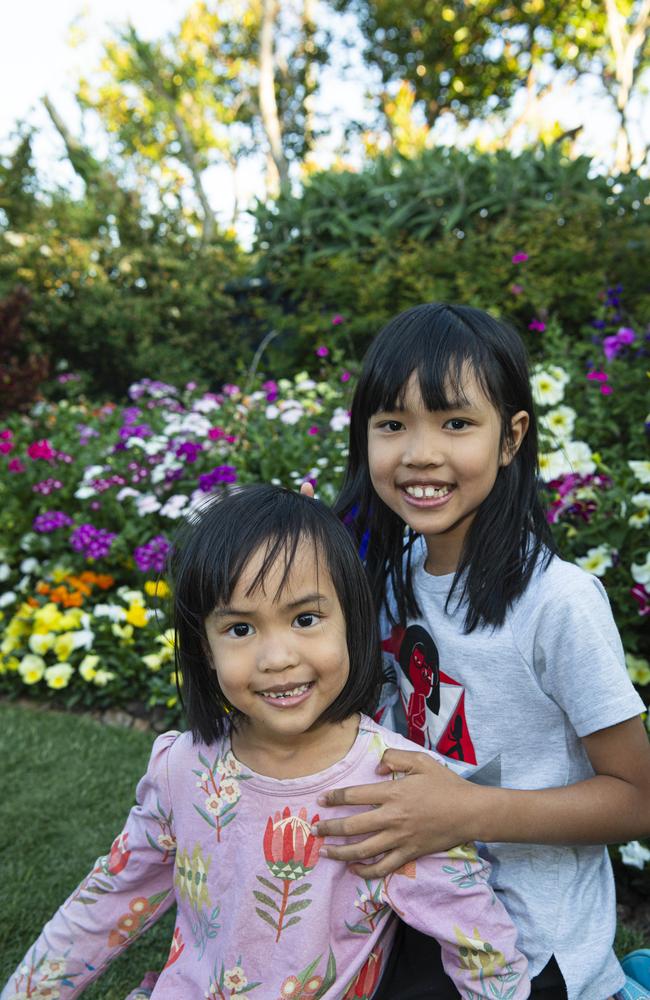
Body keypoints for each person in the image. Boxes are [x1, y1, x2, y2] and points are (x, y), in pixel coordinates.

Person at [1, 485, 530, 1000]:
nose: (277, 657)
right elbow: (107, 902)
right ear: (204, 648)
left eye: (305, 619)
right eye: (239, 629)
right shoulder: (181, 769)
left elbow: (481, 946)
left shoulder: (394, 788)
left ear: (352, 620)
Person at [301, 302, 650, 1000]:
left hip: (530, 949)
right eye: (393, 424)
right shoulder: (389, 579)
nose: (420, 452)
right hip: (416, 911)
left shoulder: (557, 604)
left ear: (512, 436)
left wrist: (463, 813)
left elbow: (638, 799)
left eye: (456, 423)